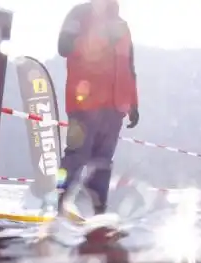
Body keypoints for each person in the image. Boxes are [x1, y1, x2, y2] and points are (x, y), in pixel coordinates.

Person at [56, 0, 139, 216]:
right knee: (76, 155)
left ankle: (97, 212)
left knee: (102, 163)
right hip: (84, 102)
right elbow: (64, 46)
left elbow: (129, 66)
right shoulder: (80, 13)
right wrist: (101, 38)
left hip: (115, 107)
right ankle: (59, 204)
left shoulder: (123, 25)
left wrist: (133, 103)